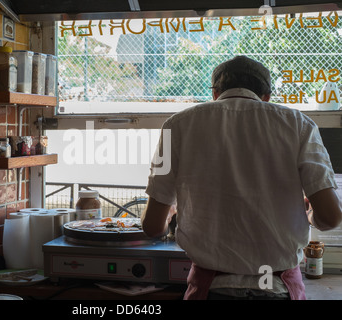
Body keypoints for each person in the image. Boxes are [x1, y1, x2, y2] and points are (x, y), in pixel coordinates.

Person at [141, 56, 342, 300]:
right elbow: (331, 218)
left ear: (215, 93)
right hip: (277, 286)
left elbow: (151, 227)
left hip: (209, 288)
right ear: (266, 96)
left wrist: (170, 214)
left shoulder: (176, 126)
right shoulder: (299, 125)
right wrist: (310, 215)